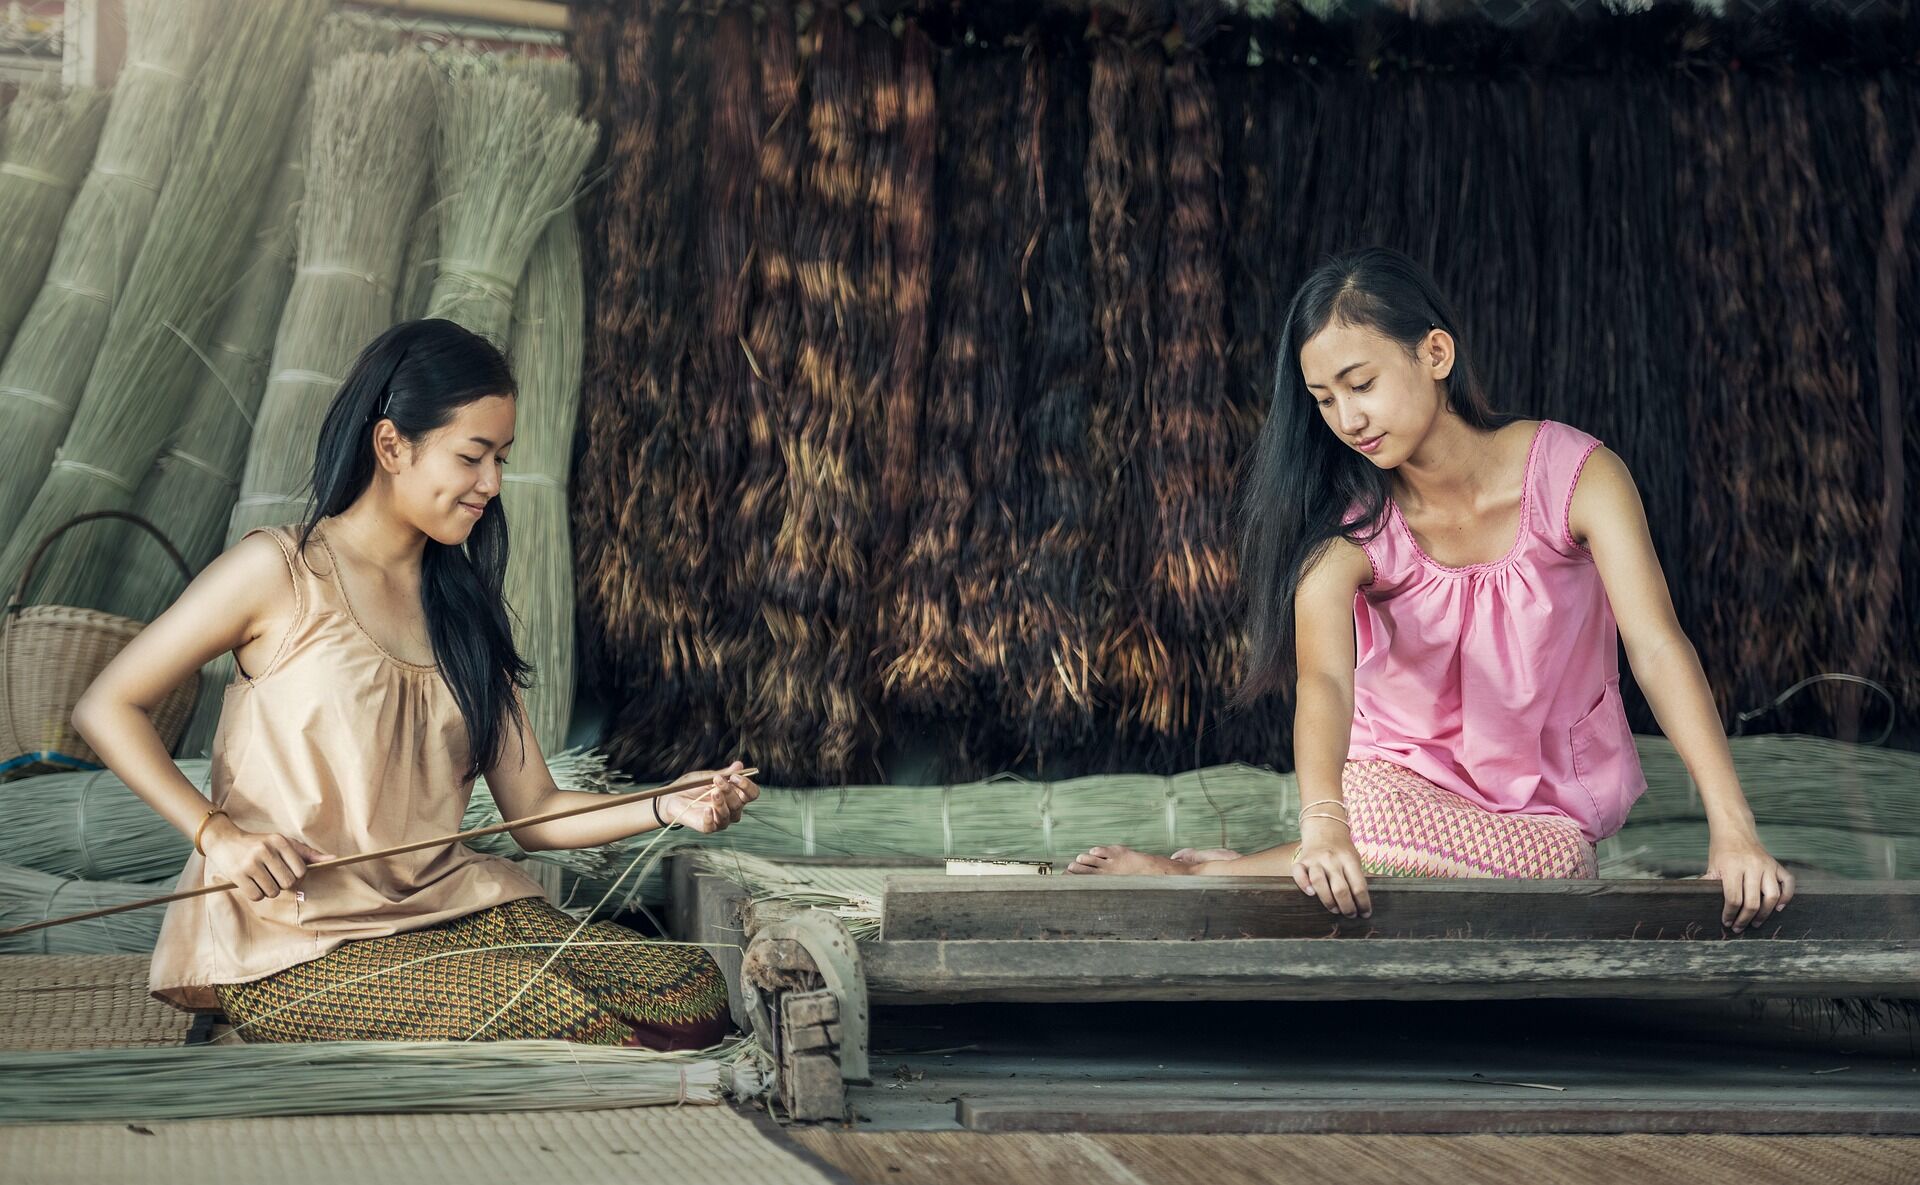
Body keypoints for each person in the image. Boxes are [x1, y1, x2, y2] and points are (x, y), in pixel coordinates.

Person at [1067, 247, 1794, 937]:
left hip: (1540, 809)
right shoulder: (1348, 527)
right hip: (1396, 784)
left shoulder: (1579, 476)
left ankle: (1233, 871)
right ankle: (1218, 873)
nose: (1347, 419)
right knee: (1374, 826)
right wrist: (1325, 822)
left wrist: (1734, 831)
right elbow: (1323, 681)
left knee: (1556, 867)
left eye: (1361, 384)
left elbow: (1659, 646)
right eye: (1324, 399)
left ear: (1435, 354)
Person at [75, 319, 756, 1047]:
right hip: (296, 935)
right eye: (473, 456)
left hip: (449, 905)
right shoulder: (279, 572)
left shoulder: (464, 610)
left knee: (690, 991)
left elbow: (536, 811)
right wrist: (219, 836)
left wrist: (666, 803)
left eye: (501, 457)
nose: (492, 484)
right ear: (393, 445)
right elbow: (107, 704)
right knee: (566, 1020)